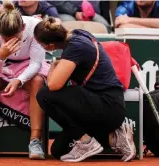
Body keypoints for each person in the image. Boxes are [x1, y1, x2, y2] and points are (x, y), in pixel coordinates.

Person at [33, 17, 136, 162]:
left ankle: (86, 142)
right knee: (58, 151)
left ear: (49, 46)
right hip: (98, 105)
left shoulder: (75, 47)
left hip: (107, 106)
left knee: (44, 95)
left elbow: (53, 85)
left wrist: (53, 65)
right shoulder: (79, 34)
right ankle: (115, 138)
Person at [0, 1, 46, 160]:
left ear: (23, 28)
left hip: (28, 66)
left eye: (14, 38)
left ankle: (35, 141)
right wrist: (2, 55)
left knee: (37, 82)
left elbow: (36, 63)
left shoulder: (36, 27)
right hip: (0, 64)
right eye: (4, 38)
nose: (9, 42)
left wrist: (20, 80)